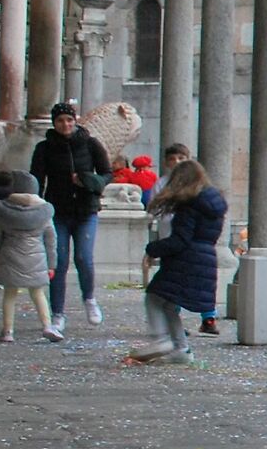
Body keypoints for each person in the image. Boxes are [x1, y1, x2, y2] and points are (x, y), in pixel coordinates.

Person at [131, 158, 226, 365]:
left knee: (154, 297)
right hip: (204, 258)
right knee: (169, 304)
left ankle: (162, 339)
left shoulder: (190, 205)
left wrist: (152, 250)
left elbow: (180, 240)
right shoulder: (213, 203)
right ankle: (181, 350)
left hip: (187, 260)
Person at [27, 100, 111, 332]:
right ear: (54, 124)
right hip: (58, 210)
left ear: (75, 121)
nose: (65, 124)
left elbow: (107, 173)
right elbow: (36, 179)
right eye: (61, 121)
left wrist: (90, 181)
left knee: (84, 257)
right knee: (59, 262)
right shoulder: (44, 148)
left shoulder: (91, 144)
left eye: (69, 120)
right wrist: (37, 204)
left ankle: (89, 299)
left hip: (86, 209)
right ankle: (58, 313)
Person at [0, 171, 59, 344]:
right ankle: (47, 326)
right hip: (37, 258)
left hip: (9, 257)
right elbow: (51, 240)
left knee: (10, 294)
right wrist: (52, 264)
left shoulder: (2, 210)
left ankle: (8, 331)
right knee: (38, 293)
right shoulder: (44, 211)